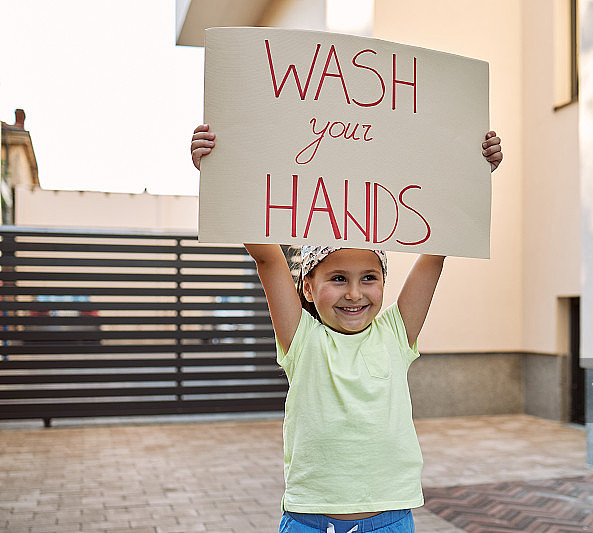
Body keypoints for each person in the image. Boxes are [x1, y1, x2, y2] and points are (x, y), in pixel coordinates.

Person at [190, 124, 502, 533]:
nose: (355, 293)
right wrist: (219, 171)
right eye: (338, 278)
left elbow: (435, 254)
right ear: (307, 285)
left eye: (369, 277)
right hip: (308, 522)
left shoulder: (396, 333)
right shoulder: (301, 338)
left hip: (389, 522)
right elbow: (267, 258)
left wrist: (473, 173)